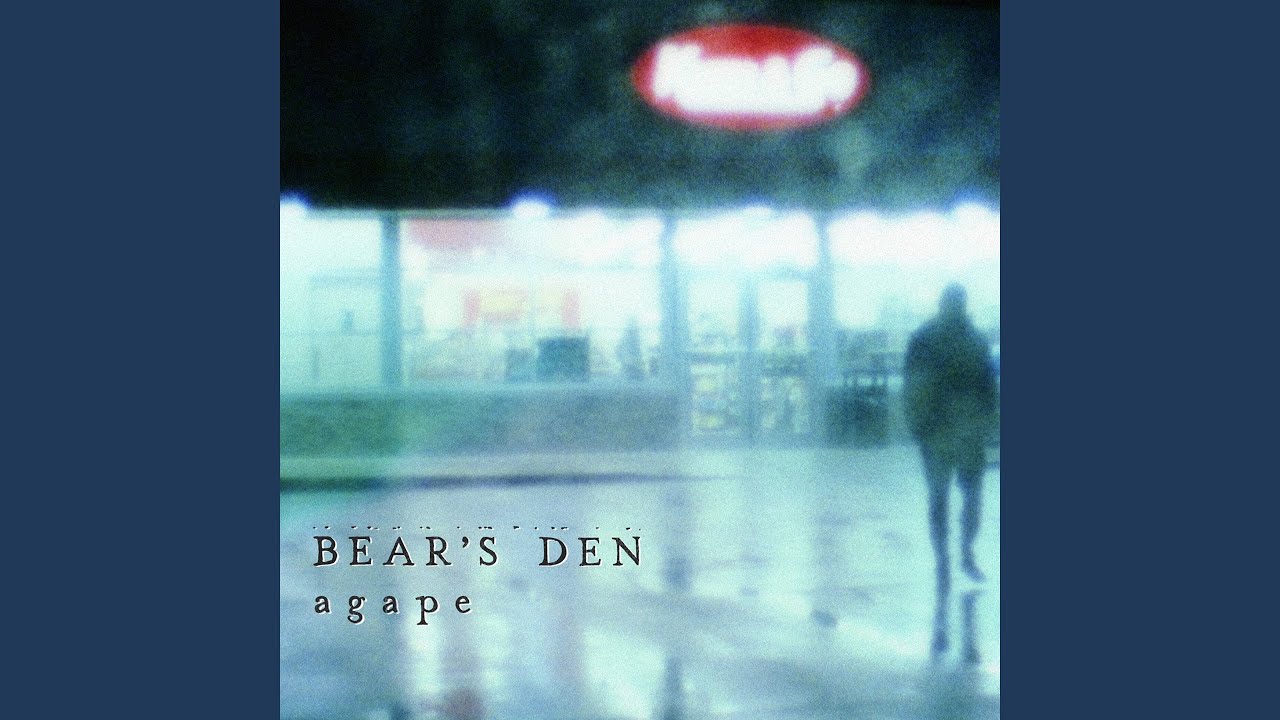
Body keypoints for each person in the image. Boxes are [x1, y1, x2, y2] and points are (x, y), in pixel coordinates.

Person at [903, 284, 999, 585]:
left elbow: (913, 385)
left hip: (942, 432)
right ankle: (959, 556)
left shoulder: (925, 338)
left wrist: (918, 424)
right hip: (957, 430)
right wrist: (989, 422)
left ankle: (947, 558)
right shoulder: (972, 340)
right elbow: (988, 388)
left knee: (944, 498)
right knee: (963, 497)